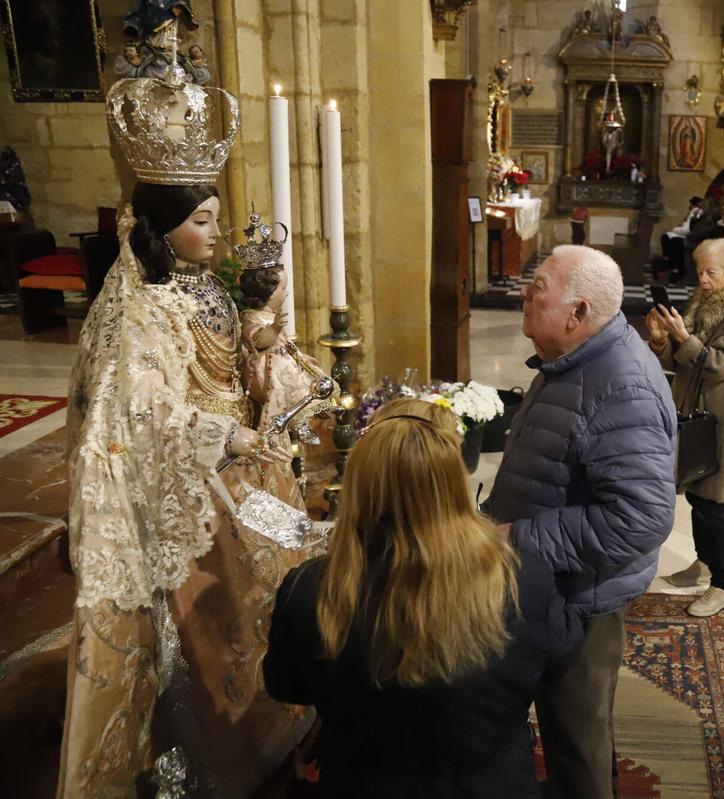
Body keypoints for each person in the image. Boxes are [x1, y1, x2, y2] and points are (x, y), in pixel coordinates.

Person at [60, 75, 312, 798]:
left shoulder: (207, 285)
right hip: (197, 484)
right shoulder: (142, 309)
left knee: (270, 601)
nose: (217, 233)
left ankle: (279, 716)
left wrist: (267, 368)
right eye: (203, 220)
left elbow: (237, 360)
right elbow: (140, 410)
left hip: (244, 464)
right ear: (163, 224)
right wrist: (223, 437)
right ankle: (203, 759)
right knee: (210, 631)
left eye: (216, 218)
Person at [264, 399, 582, 798]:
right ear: (454, 484)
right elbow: (557, 660)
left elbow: (285, 686)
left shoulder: (309, 589)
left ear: (359, 489)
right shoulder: (522, 577)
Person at [484, 245, 676, 799]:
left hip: (580, 600)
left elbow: (640, 518)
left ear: (577, 313)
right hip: (547, 585)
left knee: (578, 743)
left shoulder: (622, 385)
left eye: (538, 286)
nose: (524, 293)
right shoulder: (573, 357)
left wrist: (516, 535)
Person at [647, 238, 724, 616]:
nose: (703, 278)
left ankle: (723, 583)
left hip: (721, 422)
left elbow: (717, 365)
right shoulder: (703, 304)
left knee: (713, 503)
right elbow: (682, 361)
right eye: (700, 272)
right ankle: (705, 563)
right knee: (698, 496)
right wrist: (662, 339)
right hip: (696, 418)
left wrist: (682, 337)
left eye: (711, 272)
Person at [237, 211, 335, 444]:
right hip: (264, 373)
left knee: (313, 375)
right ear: (268, 293)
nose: (286, 293)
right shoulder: (252, 318)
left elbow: (285, 346)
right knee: (287, 377)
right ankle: (296, 422)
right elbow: (258, 341)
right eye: (282, 289)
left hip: (281, 363)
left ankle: (309, 415)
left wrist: (300, 356)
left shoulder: (267, 314)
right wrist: (274, 329)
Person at [660, 195, 702, 278]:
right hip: (684, 234)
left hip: (689, 236)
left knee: (675, 242)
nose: (689, 206)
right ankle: (668, 260)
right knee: (666, 237)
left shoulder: (695, 212)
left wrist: (674, 230)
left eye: (690, 204)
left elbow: (687, 229)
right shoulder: (692, 212)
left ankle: (677, 267)